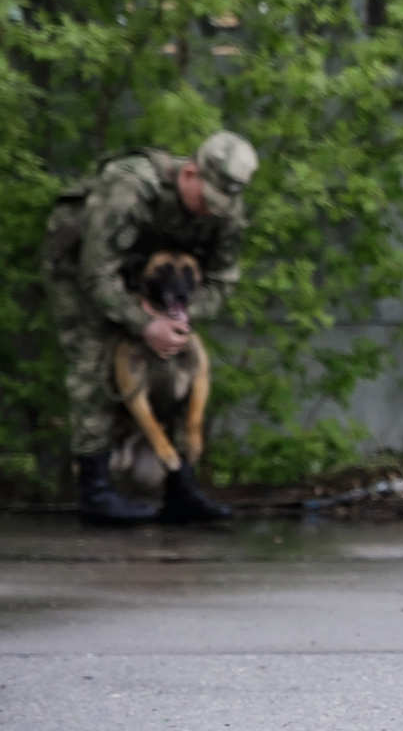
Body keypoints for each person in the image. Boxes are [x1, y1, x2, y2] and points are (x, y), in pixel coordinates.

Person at [41, 132, 258, 526]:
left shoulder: (225, 205)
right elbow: (96, 274)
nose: (211, 211)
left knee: (178, 365)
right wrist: (144, 323)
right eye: (206, 200)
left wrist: (183, 316)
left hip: (161, 281)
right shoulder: (131, 186)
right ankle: (96, 493)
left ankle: (180, 489)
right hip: (83, 270)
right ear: (189, 173)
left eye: (220, 205)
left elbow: (222, 279)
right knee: (93, 361)